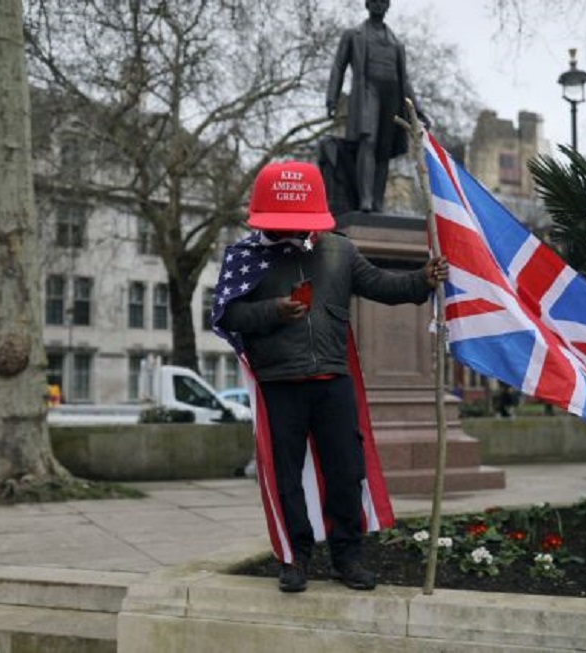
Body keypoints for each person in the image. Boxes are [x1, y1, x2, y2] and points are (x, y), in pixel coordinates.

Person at [213, 160, 447, 593]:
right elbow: (230, 315)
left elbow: (382, 286)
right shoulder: (246, 258)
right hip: (279, 383)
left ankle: (348, 557)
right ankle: (295, 559)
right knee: (287, 477)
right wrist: (274, 310)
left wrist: (422, 281)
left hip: (333, 381)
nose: (292, 233)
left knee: (346, 472)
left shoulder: (340, 251)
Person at [326, 0, 425, 213]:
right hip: (367, 92)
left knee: (384, 149)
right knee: (368, 141)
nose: (379, 5)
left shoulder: (397, 44)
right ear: (367, 4)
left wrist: (417, 110)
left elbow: (404, 79)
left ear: (388, 6)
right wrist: (332, 98)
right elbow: (338, 67)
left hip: (392, 95)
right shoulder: (353, 35)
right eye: (375, 1)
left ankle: (378, 201)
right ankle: (366, 198)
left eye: (383, 1)